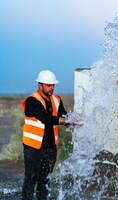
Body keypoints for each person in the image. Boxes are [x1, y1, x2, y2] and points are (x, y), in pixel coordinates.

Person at [21, 70, 69, 200]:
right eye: (48, 85)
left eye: (53, 85)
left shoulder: (56, 99)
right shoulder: (32, 101)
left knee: (45, 180)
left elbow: (63, 114)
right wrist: (64, 121)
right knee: (31, 179)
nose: (51, 88)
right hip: (33, 147)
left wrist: (72, 119)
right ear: (40, 85)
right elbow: (44, 118)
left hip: (50, 147)